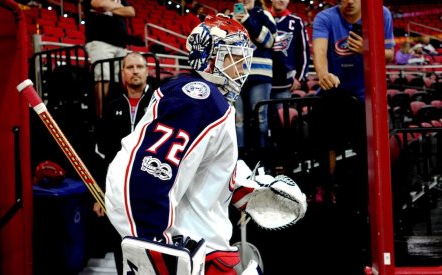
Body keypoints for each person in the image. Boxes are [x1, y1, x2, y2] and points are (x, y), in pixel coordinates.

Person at [104, 14, 306, 274]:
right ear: (208, 59)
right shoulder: (200, 98)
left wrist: (248, 188)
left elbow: (202, 168)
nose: (242, 68)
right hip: (194, 253)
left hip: (206, 248)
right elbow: (146, 173)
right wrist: (153, 247)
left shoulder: (212, 101)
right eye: (233, 57)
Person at [311, 0, 394, 273]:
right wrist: (323, 74)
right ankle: (326, 188)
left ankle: (372, 199)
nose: (348, 2)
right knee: (324, 129)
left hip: (367, 96)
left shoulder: (380, 13)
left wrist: (369, 48)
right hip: (335, 93)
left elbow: (391, 53)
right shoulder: (325, 18)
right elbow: (320, 51)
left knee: (369, 151)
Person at [92, 52, 154, 273]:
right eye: (130, 67)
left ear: (148, 71)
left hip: (151, 187)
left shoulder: (160, 105)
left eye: (139, 66)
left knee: (151, 246)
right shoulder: (112, 107)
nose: (135, 71)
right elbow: (104, 155)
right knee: (122, 243)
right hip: (119, 190)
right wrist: (101, 194)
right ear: (122, 73)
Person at [233, 0, 277, 159]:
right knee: (237, 120)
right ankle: (240, 160)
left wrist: (246, 20)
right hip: (235, 76)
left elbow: (269, 41)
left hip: (260, 75)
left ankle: (263, 159)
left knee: (261, 119)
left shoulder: (264, 15)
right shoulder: (229, 18)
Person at [82, 0, 136, 118]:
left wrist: (108, 8)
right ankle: (100, 117)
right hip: (99, 42)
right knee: (103, 78)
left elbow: (131, 12)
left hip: (120, 44)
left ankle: (118, 114)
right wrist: (120, 8)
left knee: (120, 81)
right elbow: (99, 4)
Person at [269, 0, 310, 102]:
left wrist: (299, 78)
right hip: (261, 81)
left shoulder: (296, 22)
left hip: (285, 83)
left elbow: (304, 52)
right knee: (259, 117)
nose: (281, 0)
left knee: (282, 116)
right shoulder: (261, 18)